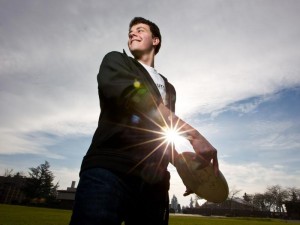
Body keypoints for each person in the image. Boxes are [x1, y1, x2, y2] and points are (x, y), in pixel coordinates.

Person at [69, 17, 219, 225]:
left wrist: (186, 170)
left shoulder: (170, 88)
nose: (132, 34)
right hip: (110, 169)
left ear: (155, 40)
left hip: (154, 184)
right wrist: (194, 135)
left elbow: (160, 134)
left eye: (140, 30)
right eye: (130, 32)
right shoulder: (116, 60)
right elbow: (135, 98)